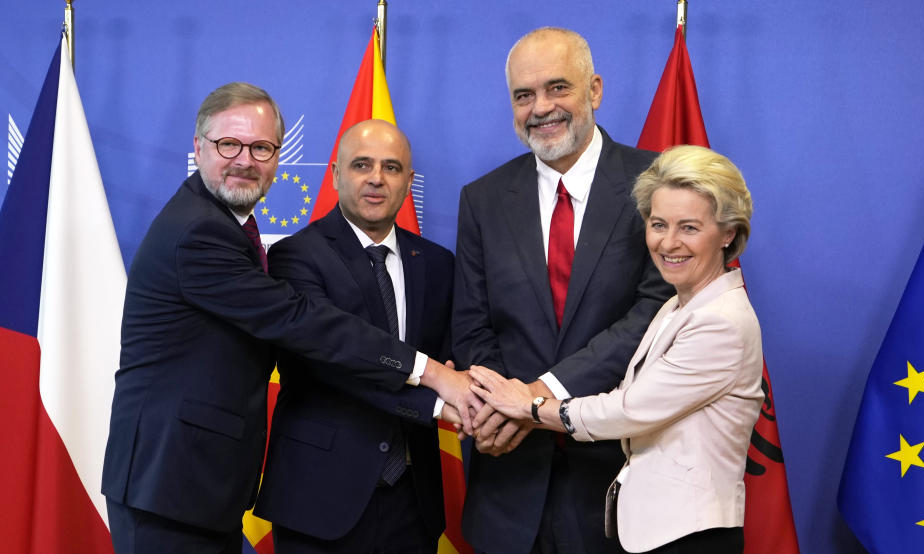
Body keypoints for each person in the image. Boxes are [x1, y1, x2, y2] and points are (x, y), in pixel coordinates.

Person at [101, 83, 476, 554]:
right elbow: (304, 325)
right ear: (198, 148)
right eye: (229, 144)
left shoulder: (223, 225)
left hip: (199, 485)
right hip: (172, 483)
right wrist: (437, 380)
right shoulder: (200, 233)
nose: (244, 160)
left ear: (278, 157)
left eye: (261, 148)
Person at [469, 145, 764, 554]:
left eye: (690, 228)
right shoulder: (676, 306)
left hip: (692, 535)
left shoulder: (720, 320)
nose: (669, 242)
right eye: (658, 224)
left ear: (728, 232)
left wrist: (531, 405)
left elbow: (628, 410)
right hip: (656, 529)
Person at [453, 27, 674, 553]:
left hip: (617, 484)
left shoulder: (657, 183)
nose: (541, 108)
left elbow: (656, 311)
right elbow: (470, 324)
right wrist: (506, 409)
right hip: (507, 483)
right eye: (523, 95)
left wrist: (539, 397)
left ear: (594, 90)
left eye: (558, 88)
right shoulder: (482, 199)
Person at [253, 119, 454, 553]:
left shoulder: (437, 263)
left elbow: (452, 356)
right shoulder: (295, 256)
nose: (376, 178)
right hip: (319, 501)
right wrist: (442, 401)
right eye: (362, 164)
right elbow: (333, 360)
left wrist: (473, 387)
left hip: (413, 502)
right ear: (336, 174)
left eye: (392, 167)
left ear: (409, 182)